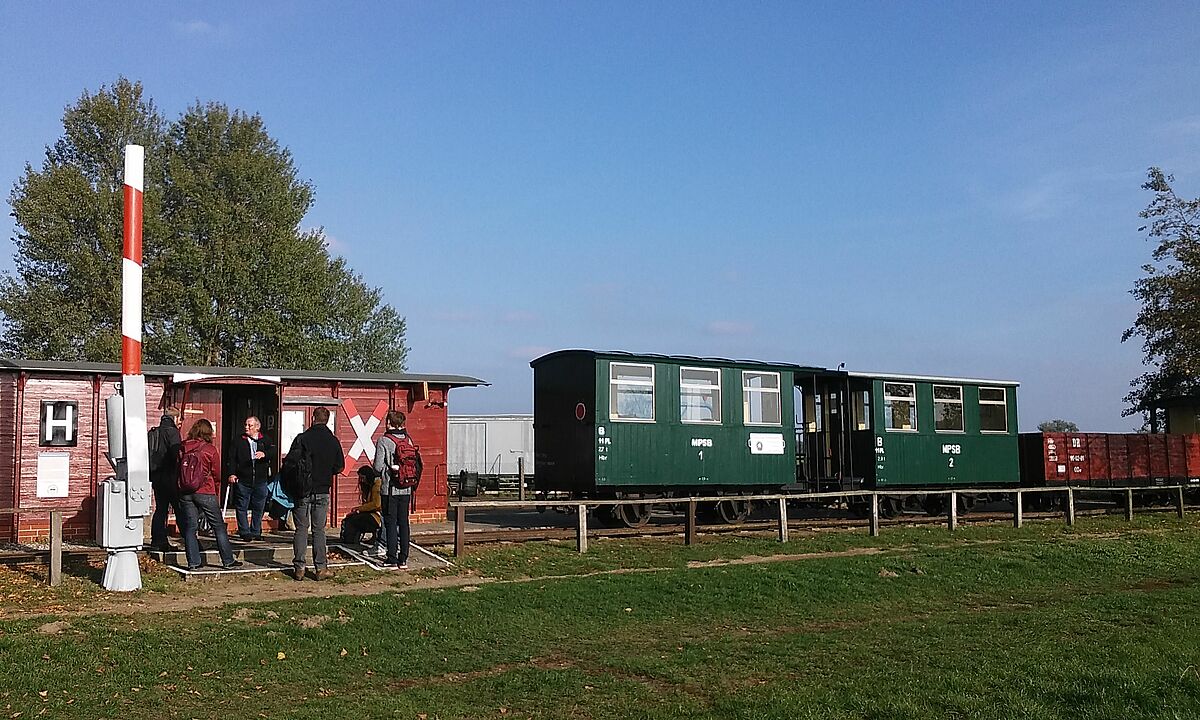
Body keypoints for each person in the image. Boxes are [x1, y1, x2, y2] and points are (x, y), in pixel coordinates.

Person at [287, 407, 345, 581]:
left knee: (301, 529)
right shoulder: (333, 441)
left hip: (303, 490)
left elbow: (290, 463)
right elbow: (340, 466)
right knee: (319, 530)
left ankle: (299, 568)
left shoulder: (302, 438)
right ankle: (321, 568)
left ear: (312, 418)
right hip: (322, 489)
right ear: (327, 420)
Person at [177, 418, 242, 570]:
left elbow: (177, 468)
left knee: (190, 527)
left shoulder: (183, 447)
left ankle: (193, 562)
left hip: (186, 491)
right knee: (218, 526)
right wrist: (217, 488)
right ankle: (227, 560)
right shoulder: (209, 450)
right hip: (206, 491)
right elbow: (217, 473)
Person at [372, 410, 418, 569]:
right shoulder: (409, 440)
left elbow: (377, 467)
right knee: (404, 522)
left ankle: (391, 558)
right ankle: (403, 558)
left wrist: (385, 469)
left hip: (389, 488)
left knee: (390, 522)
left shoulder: (383, 440)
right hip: (406, 488)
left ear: (388, 423)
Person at [227, 416, 275, 541]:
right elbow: (232, 458)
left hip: (261, 479)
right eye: (246, 425)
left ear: (257, 427)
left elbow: (273, 452)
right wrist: (231, 473)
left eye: (250, 425)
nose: (247, 427)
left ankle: (256, 531)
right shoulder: (238, 440)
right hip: (243, 479)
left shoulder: (265, 440)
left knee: (259, 507)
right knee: (241, 506)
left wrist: (265, 454)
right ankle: (244, 532)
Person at [148, 406, 183, 552]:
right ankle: (190, 540)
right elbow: (177, 454)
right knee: (180, 508)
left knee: (160, 509)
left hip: (155, 475)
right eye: (180, 419)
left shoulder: (154, 432)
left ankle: (157, 539)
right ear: (175, 418)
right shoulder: (172, 432)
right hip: (170, 475)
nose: (180, 423)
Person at [339, 465, 382, 545]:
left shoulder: (377, 485)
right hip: (371, 514)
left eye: (363, 478)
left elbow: (376, 504)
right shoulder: (368, 486)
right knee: (350, 518)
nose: (361, 481)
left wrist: (359, 509)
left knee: (353, 520)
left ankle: (350, 541)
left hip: (377, 516)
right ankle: (351, 539)